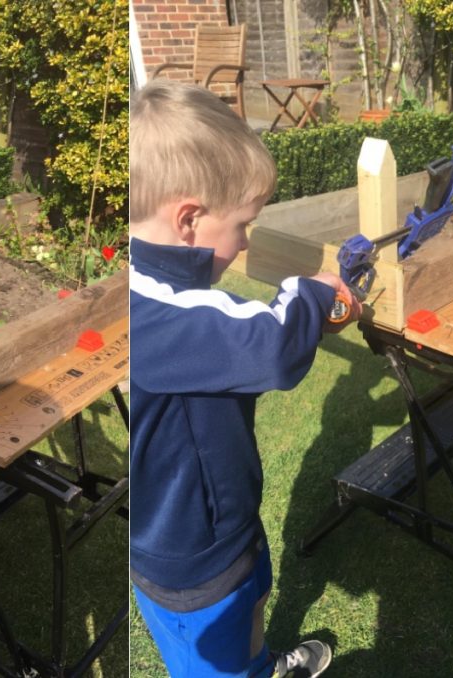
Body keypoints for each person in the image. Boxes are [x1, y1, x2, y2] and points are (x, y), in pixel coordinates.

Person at [129, 78, 361, 677]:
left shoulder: (158, 288)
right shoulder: (157, 314)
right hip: (191, 559)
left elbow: (234, 349)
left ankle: (260, 666)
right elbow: (271, 347)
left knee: (252, 601)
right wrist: (312, 294)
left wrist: (311, 316)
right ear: (189, 219)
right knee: (218, 655)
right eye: (243, 227)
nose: (247, 242)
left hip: (222, 524)